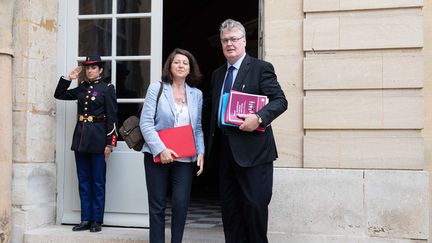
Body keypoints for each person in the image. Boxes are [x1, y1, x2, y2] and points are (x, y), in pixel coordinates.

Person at [205, 19, 288, 243]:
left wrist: (259, 118)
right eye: (225, 40)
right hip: (225, 155)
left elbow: (280, 101)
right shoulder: (217, 74)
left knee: (254, 209)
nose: (229, 44)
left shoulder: (261, 68)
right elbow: (210, 109)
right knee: (230, 213)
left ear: (243, 41)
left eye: (234, 39)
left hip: (255, 154)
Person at [140, 48, 205, 243]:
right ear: (170, 65)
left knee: (180, 203)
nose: (181, 65)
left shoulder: (196, 94)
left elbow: (198, 127)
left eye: (185, 63)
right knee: (157, 204)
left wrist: (201, 151)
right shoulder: (156, 88)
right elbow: (146, 123)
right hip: (157, 155)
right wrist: (161, 149)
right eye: (177, 62)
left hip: (185, 157)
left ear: (190, 68)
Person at [54, 55, 118, 232]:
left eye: (94, 67)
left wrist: (110, 143)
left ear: (101, 70)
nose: (90, 70)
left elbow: (112, 117)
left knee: (97, 182)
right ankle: (85, 219)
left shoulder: (107, 88)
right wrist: (69, 78)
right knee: (83, 181)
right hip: (81, 139)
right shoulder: (81, 88)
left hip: (98, 140)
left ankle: (97, 220)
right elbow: (59, 95)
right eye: (88, 68)